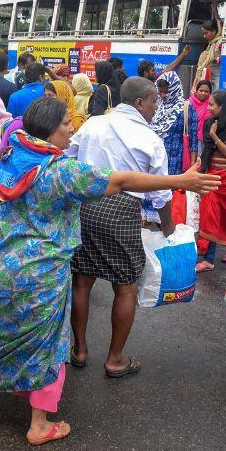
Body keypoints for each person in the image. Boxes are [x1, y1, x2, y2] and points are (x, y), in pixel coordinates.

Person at [0, 97, 220, 445]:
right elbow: (120, 182)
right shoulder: (61, 172)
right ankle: (40, 425)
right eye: (65, 122)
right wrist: (180, 179)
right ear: (49, 128)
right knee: (47, 345)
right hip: (41, 276)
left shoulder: (8, 158)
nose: (71, 127)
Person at [69, 77, 174, 375]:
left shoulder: (92, 124)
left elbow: (69, 159)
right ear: (139, 103)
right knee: (126, 287)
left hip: (86, 206)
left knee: (82, 280)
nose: (157, 106)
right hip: (123, 210)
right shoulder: (150, 139)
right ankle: (115, 359)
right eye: (154, 100)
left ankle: (79, 349)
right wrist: (169, 230)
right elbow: (161, 192)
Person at [196, 90, 226, 272]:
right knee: (210, 215)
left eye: (211, 105)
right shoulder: (211, 122)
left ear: (222, 107)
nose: (208, 109)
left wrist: (215, 135)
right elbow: (206, 149)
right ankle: (208, 259)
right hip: (211, 175)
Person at [150, 72, 198, 174]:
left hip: (176, 159)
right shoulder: (158, 106)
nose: (162, 96)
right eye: (160, 92)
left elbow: (193, 138)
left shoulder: (186, 108)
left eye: (166, 92)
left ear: (174, 90)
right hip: (155, 158)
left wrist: (193, 163)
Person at [193, 19, 222, 92]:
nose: (204, 36)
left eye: (206, 33)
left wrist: (215, 60)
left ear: (214, 31)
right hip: (210, 76)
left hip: (218, 77)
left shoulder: (220, 43)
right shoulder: (211, 44)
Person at [189, 80, 213, 154]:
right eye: (201, 90)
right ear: (196, 91)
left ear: (210, 93)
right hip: (190, 138)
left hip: (205, 140)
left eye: (206, 91)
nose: (203, 93)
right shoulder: (189, 103)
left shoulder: (212, 104)